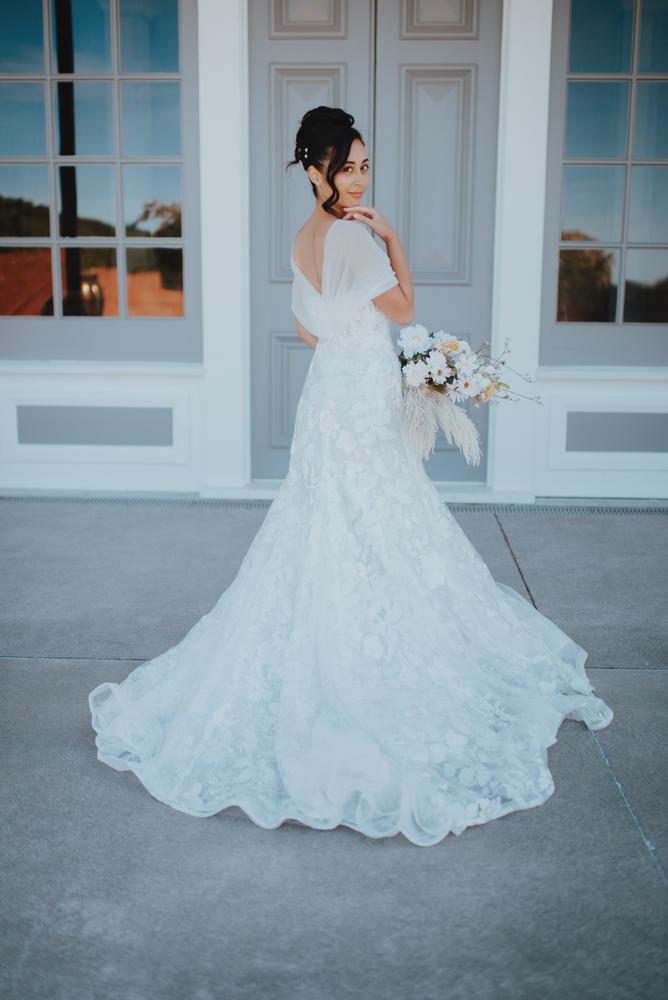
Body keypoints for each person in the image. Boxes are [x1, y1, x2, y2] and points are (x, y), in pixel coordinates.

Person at [89, 107, 612, 847]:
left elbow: (309, 329)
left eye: (366, 165)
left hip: (330, 393)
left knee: (331, 518)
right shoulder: (357, 236)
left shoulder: (304, 239)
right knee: (380, 515)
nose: (361, 177)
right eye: (348, 166)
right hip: (359, 399)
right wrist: (394, 238)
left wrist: (358, 319)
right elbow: (404, 307)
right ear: (314, 170)